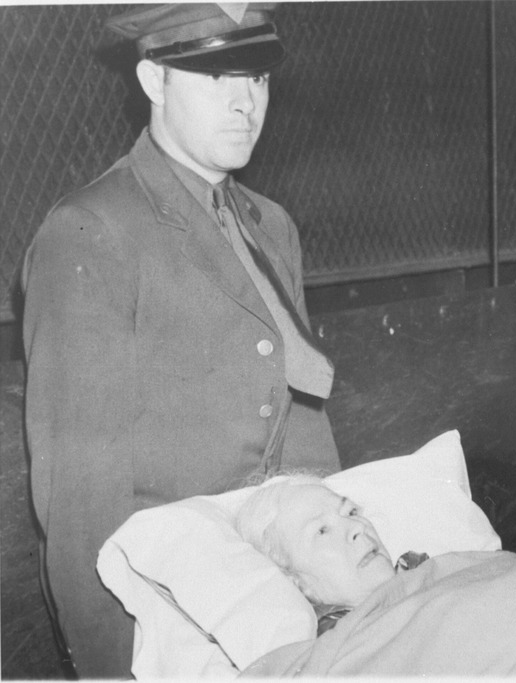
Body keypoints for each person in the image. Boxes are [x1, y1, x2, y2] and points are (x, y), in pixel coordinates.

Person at [20, 4, 341, 677]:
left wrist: (342, 610)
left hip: (282, 608)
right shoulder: (91, 231)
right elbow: (82, 506)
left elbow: (306, 431)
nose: (245, 102)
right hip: (171, 621)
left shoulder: (272, 227)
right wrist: (114, 668)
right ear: (153, 80)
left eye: (257, 77)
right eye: (216, 75)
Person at [235, 476, 426, 634]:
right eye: (322, 531)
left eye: (351, 512)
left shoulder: (431, 571)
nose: (358, 526)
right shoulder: (336, 655)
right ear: (296, 583)